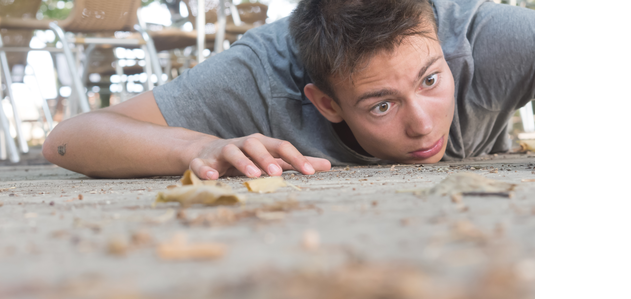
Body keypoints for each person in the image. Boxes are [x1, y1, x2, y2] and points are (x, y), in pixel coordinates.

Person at [42, 0, 534, 179]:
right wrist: (202, 146)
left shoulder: (488, 37)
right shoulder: (256, 76)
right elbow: (70, 138)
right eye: (381, 104)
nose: (423, 124)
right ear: (324, 102)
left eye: (430, 81)